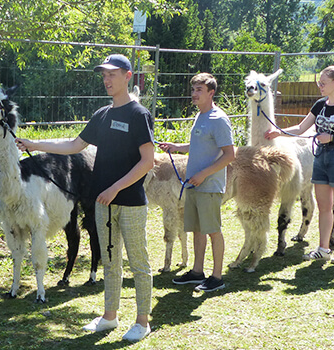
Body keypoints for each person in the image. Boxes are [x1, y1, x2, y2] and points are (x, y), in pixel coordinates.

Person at [15, 54, 155, 342]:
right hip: (104, 202)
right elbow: (74, 144)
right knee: (110, 261)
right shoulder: (102, 115)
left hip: (129, 201)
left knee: (138, 261)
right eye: (103, 74)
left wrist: (115, 188)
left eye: (112, 74)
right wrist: (33, 143)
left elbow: (147, 162)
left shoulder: (138, 114)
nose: (106, 79)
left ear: (127, 76)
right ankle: (109, 317)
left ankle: (142, 322)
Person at [265, 65, 334, 264]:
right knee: (324, 207)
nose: (320, 86)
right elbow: (302, 128)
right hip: (321, 157)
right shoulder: (320, 105)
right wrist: (279, 131)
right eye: (319, 82)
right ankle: (323, 248)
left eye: (323, 83)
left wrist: (332, 137)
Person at [158, 73, 235, 292]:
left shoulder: (218, 119)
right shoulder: (200, 116)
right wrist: (177, 147)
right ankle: (197, 271)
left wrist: (203, 175)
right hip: (194, 184)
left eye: (199, 90)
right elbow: (200, 145)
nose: (194, 94)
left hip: (209, 186)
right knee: (197, 229)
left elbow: (229, 155)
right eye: (193, 89)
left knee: (213, 230)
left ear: (211, 93)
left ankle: (217, 277)